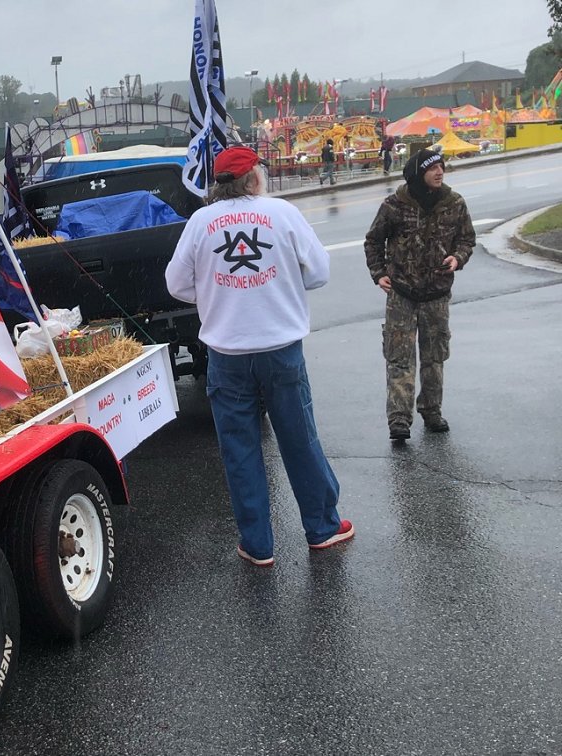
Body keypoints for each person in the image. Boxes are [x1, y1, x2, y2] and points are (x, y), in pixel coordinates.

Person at [165, 145, 354, 567]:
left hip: (226, 354)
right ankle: (322, 527)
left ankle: (257, 543)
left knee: (240, 449)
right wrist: (280, 284)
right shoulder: (282, 213)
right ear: (253, 178)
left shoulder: (200, 222)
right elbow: (320, 272)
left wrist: (216, 294)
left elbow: (176, 284)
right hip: (281, 349)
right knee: (300, 439)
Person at [364, 148, 476, 441]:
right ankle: (399, 419)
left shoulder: (454, 203)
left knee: (434, 355)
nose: (440, 172)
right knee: (399, 357)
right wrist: (379, 273)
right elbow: (373, 241)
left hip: (437, 294)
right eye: (433, 168)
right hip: (401, 293)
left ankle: (431, 410)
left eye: (442, 166)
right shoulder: (394, 205)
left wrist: (458, 257)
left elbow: (466, 238)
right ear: (417, 173)